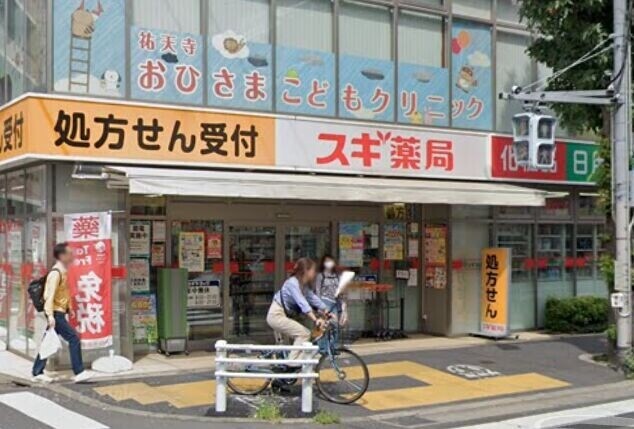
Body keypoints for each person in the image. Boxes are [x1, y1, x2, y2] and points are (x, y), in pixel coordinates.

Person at [32, 243, 93, 384]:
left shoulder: (63, 271)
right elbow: (49, 296)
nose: (72, 256)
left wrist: (69, 308)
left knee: (46, 342)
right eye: (69, 253)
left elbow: (64, 293)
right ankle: (79, 372)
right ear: (62, 256)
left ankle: (37, 372)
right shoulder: (55, 273)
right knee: (74, 339)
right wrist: (50, 316)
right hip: (55, 313)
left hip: (59, 312)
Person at [266, 258, 329, 362]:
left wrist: (326, 310)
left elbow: (312, 297)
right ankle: (293, 361)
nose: (315, 273)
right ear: (306, 271)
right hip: (276, 315)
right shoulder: (293, 283)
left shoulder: (303, 285)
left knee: (303, 337)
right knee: (304, 334)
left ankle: (293, 364)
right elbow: (302, 303)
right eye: (313, 270)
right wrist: (315, 319)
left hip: (285, 315)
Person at [315, 255, 348, 327]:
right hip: (324, 301)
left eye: (330, 261)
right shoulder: (320, 275)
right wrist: (319, 306)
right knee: (323, 325)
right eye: (326, 261)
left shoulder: (337, 276)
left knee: (335, 325)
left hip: (335, 302)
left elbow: (341, 291)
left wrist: (343, 306)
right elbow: (318, 291)